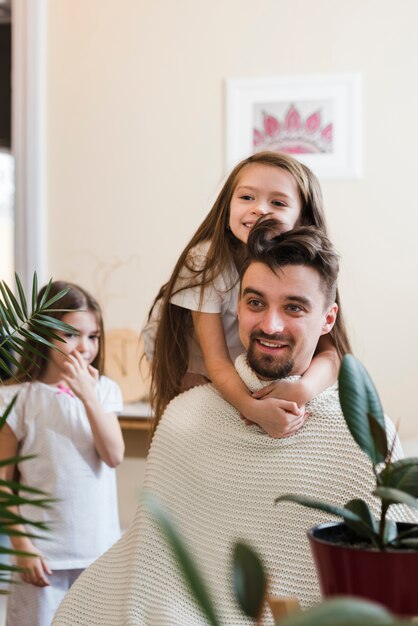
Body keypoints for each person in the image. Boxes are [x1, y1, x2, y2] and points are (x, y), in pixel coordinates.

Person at [53, 224, 410, 625]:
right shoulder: (186, 418)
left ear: (328, 319)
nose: (270, 325)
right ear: (237, 306)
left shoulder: (360, 435)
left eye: (293, 308)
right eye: (256, 302)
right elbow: (147, 564)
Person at [142, 151, 351, 439]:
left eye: (277, 202)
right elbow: (216, 362)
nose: (258, 209)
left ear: (302, 217)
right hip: (196, 358)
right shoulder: (206, 260)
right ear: (228, 205)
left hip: (244, 359)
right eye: (247, 198)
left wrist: (303, 389)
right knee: (204, 425)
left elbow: (333, 351)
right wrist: (252, 408)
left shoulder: (309, 270)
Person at [0, 281, 125, 626]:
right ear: (43, 332)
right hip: (42, 556)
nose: (83, 347)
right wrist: (21, 545)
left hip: (98, 552)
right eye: (70, 334)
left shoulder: (104, 391)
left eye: (93, 336)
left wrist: (88, 396)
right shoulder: (16, 398)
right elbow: (3, 481)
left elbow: (113, 455)